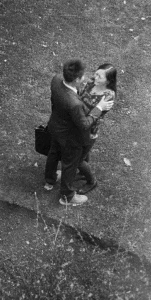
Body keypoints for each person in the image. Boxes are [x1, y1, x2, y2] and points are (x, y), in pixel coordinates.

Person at [43, 59, 114, 206]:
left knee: (54, 152)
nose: (88, 77)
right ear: (77, 79)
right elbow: (84, 124)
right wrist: (99, 107)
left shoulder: (56, 79)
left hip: (55, 127)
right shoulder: (74, 103)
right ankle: (67, 197)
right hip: (69, 136)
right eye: (82, 76)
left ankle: (50, 180)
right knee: (70, 164)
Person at [75, 63, 117, 194]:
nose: (95, 77)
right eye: (96, 73)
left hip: (89, 130)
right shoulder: (91, 83)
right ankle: (83, 173)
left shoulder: (108, 96)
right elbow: (80, 97)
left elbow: (94, 113)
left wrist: (80, 110)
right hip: (80, 124)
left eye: (100, 76)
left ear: (108, 81)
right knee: (83, 153)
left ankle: (91, 181)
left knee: (77, 160)